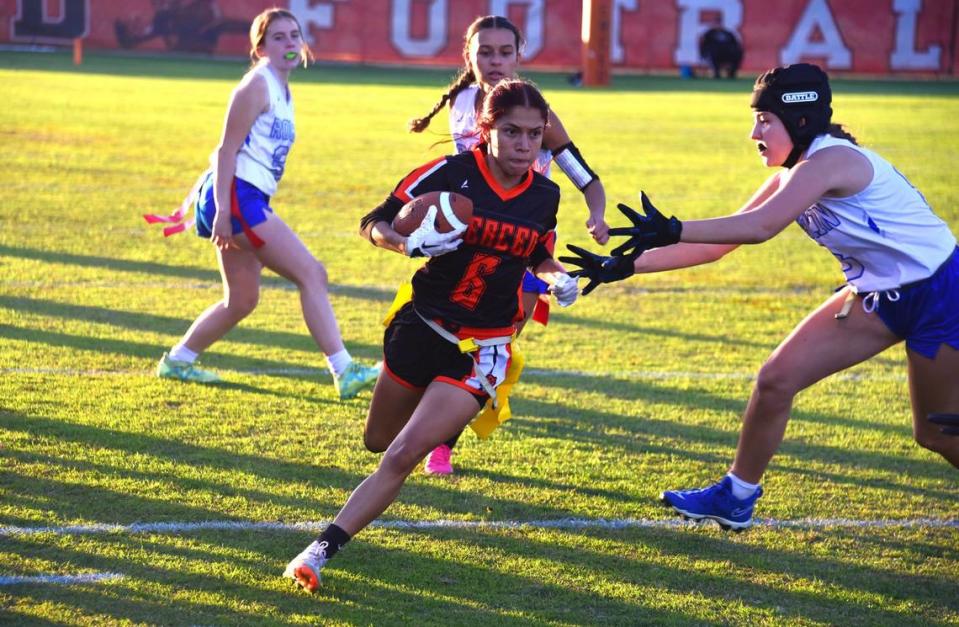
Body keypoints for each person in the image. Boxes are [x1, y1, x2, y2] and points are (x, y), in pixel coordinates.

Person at [564, 63, 959, 530]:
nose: (754, 131)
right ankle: (736, 496)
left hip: (940, 294)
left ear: (801, 121)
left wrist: (673, 227)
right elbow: (717, 245)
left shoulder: (831, 162)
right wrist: (626, 266)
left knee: (933, 432)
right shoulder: (795, 172)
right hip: (880, 294)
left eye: (765, 120)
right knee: (776, 379)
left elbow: (760, 227)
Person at [284, 79, 580, 592]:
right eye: (511, 131)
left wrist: (558, 278)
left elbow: (538, 254)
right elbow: (373, 221)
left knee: (402, 455)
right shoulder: (451, 173)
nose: (523, 145)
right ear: (486, 129)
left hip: (481, 347)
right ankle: (422, 411)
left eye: (534, 135)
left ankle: (318, 551)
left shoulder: (545, 194)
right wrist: (405, 243)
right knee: (377, 441)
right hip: (421, 325)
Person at [408, 15, 610, 475]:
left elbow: (586, 177)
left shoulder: (533, 110)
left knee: (486, 348)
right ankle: (422, 415)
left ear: (520, 55)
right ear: (469, 56)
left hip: (523, 247)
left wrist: (596, 214)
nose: (495, 61)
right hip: (464, 242)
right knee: (438, 332)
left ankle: (443, 444)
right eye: (486, 52)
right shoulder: (462, 101)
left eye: (505, 52)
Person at [153, 8, 380, 400]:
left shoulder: (282, 87)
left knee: (241, 300)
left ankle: (178, 360)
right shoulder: (256, 86)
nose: (290, 43)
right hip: (238, 198)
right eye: (278, 37)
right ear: (260, 48)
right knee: (312, 273)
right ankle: (345, 371)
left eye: (294, 35)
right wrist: (223, 211)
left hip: (244, 197)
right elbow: (226, 151)